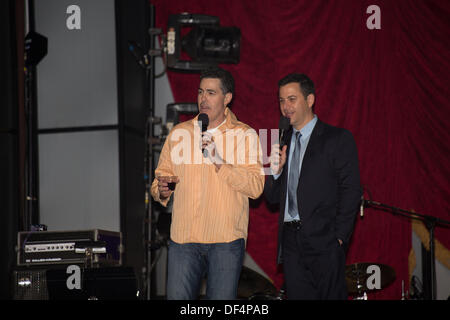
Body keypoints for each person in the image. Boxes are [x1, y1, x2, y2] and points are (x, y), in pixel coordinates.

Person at [151, 67, 264, 300]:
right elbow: (159, 181)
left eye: (211, 93)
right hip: (184, 241)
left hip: (225, 242)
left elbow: (255, 187)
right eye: (201, 92)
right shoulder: (179, 134)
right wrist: (161, 190)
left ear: (227, 98)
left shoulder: (245, 135)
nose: (203, 98)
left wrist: (219, 161)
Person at [264, 73, 361, 300]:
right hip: (290, 242)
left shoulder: (337, 138)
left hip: (325, 240)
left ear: (310, 100)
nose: (285, 106)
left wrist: (339, 237)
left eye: (291, 99)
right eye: (281, 100)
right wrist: (275, 173)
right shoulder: (281, 142)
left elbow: (352, 190)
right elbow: (270, 198)